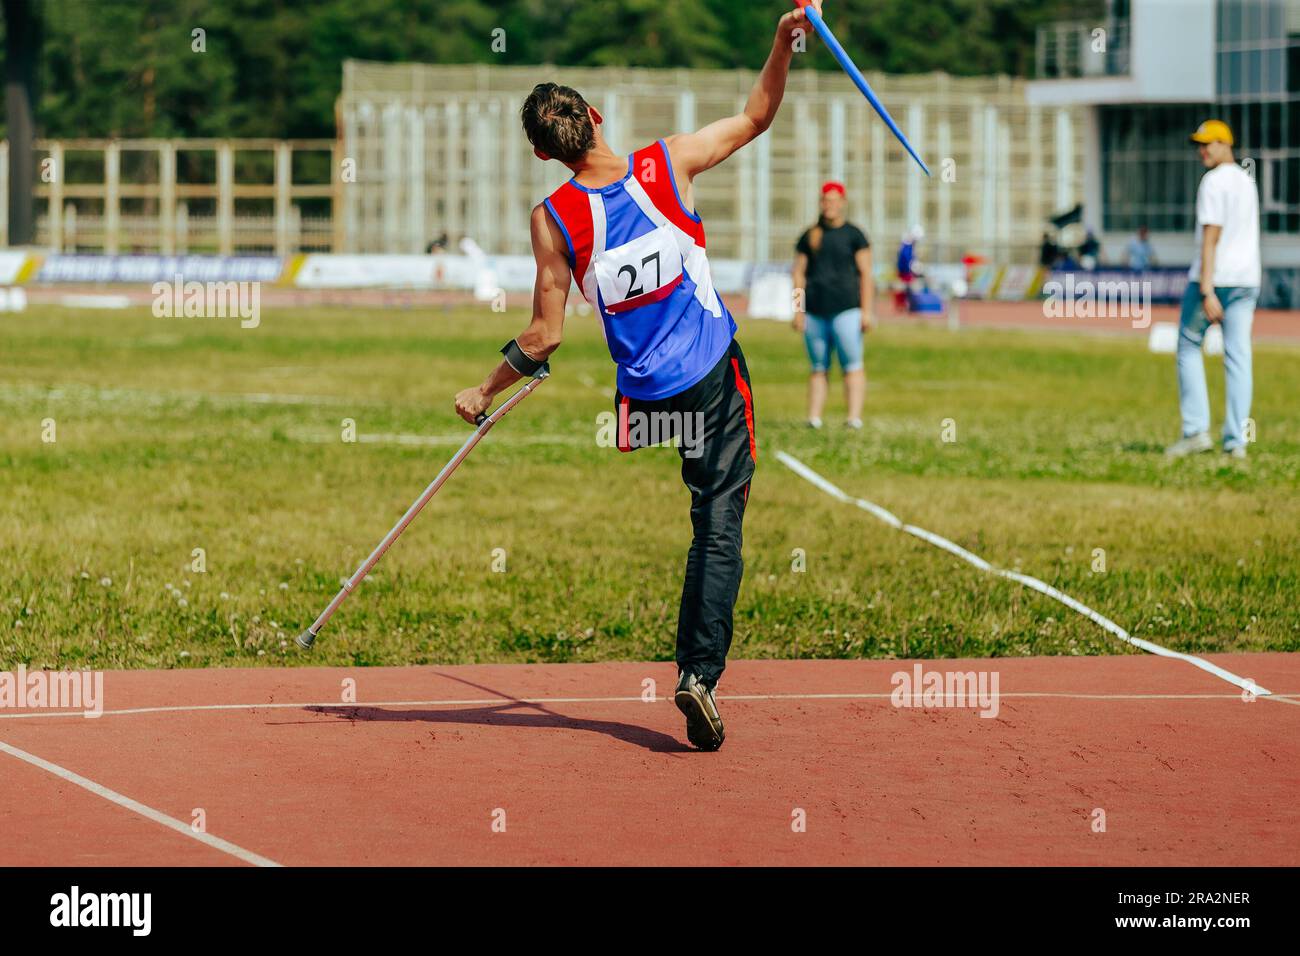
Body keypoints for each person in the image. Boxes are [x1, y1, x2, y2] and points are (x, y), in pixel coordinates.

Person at [453, 2, 823, 751]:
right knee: (719, 525)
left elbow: (545, 335)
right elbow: (756, 115)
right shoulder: (668, 163)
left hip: (648, 402)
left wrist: (484, 390)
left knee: (704, 506)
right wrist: (783, 42)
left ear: (542, 154)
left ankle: (696, 669)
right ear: (594, 115)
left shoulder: (552, 217)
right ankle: (698, 674)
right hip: (713, 379)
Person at [1165, 119, 1260, 460]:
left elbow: (1211, 237)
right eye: (1199, 145)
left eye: (1208, 144)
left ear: (1225, 144)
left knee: (1189, 346)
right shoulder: (1247, 181)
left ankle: (1195, 431)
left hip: (1215, 278)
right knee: (1238, 357)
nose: (1202, 150)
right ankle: (1236, 442)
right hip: (1247, 279)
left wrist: (1206, 288)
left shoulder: (1213, 181)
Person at [791, 181, 873, 429]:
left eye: (835, 200)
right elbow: (798, 275)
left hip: (847, 310)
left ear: (843, 203)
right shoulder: (810, 236)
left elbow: (866, 274)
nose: (830, 205)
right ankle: (814, 418)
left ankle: (853, 418)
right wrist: (798, 310)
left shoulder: (854, 235)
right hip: (815, 313)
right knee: (818, 367)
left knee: (852, 365)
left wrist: (867, 311)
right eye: (826, 200)